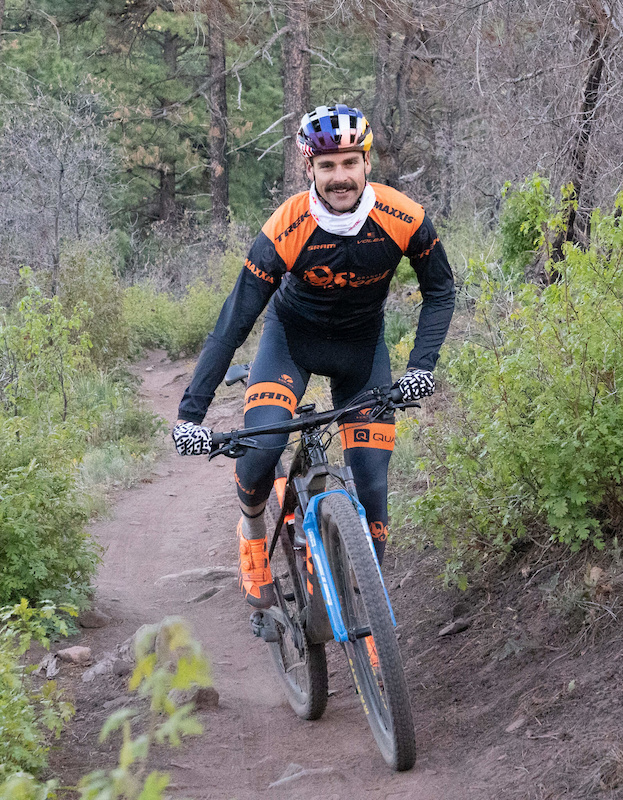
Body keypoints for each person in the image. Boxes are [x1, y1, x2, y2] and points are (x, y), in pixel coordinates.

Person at [172, 104, 455, 610]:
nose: (339, 176)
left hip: (361, 353)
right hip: (290, 345)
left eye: (349, 163)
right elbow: (233, 323)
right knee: (263, 446)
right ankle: (253, 535)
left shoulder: (404, 217)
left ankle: (368, 617)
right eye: (327, 166)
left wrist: (421, 368)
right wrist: (189, 416)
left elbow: (440, 291)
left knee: (372, 488)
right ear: (310, 169)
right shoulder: (287, 226)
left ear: (367, 163)